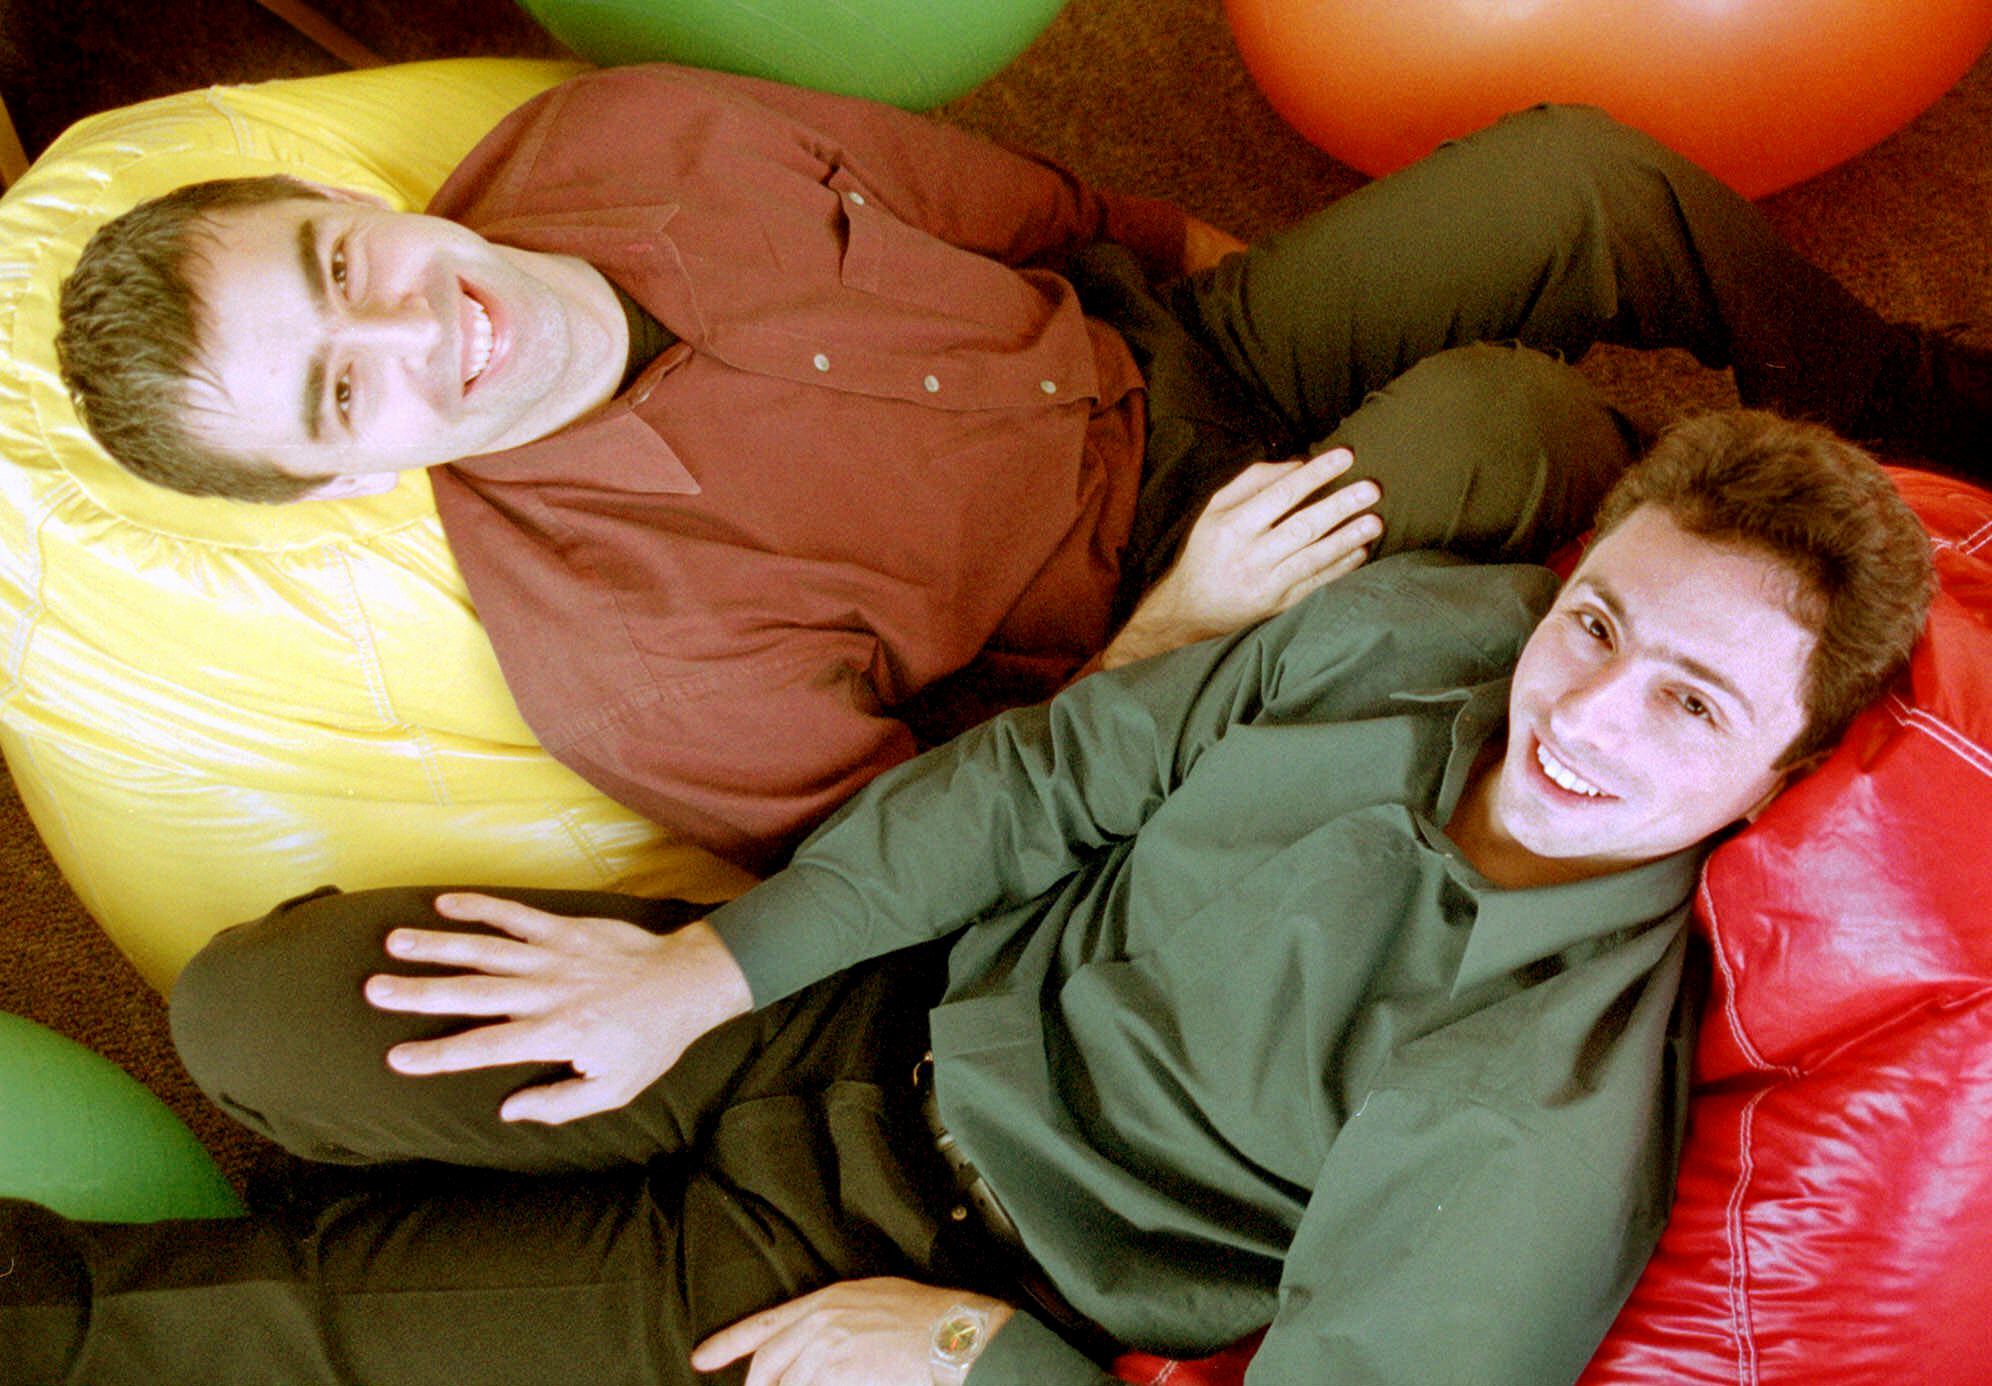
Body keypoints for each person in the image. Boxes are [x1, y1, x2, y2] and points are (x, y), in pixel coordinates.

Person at [0, 410, 1936, 1385]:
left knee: (237, 1334)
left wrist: (964, 1357)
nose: (1583, 710)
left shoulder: (1542, 1115)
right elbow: (1059, 775)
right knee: (250, 1016)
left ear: (1780, 779)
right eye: (1598, 622)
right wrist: (706, 968)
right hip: (866, 1006)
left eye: (1692, 707)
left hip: (918, 1261)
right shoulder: (1433, 631)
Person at [50, 65, 1991, 872]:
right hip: (1160, 611)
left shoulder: (622, 132)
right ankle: (1843, 605)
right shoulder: (626, 663)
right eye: (341, 397)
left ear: (344, 203)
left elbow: (1046, 209)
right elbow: (936, 853)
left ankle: (1924, 400)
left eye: (343, 269)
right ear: (341, 486)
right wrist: (1176, 636)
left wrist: (1337, 295)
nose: (416, 331)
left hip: (1171, 350)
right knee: (1500, 420)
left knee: (1571, 177)